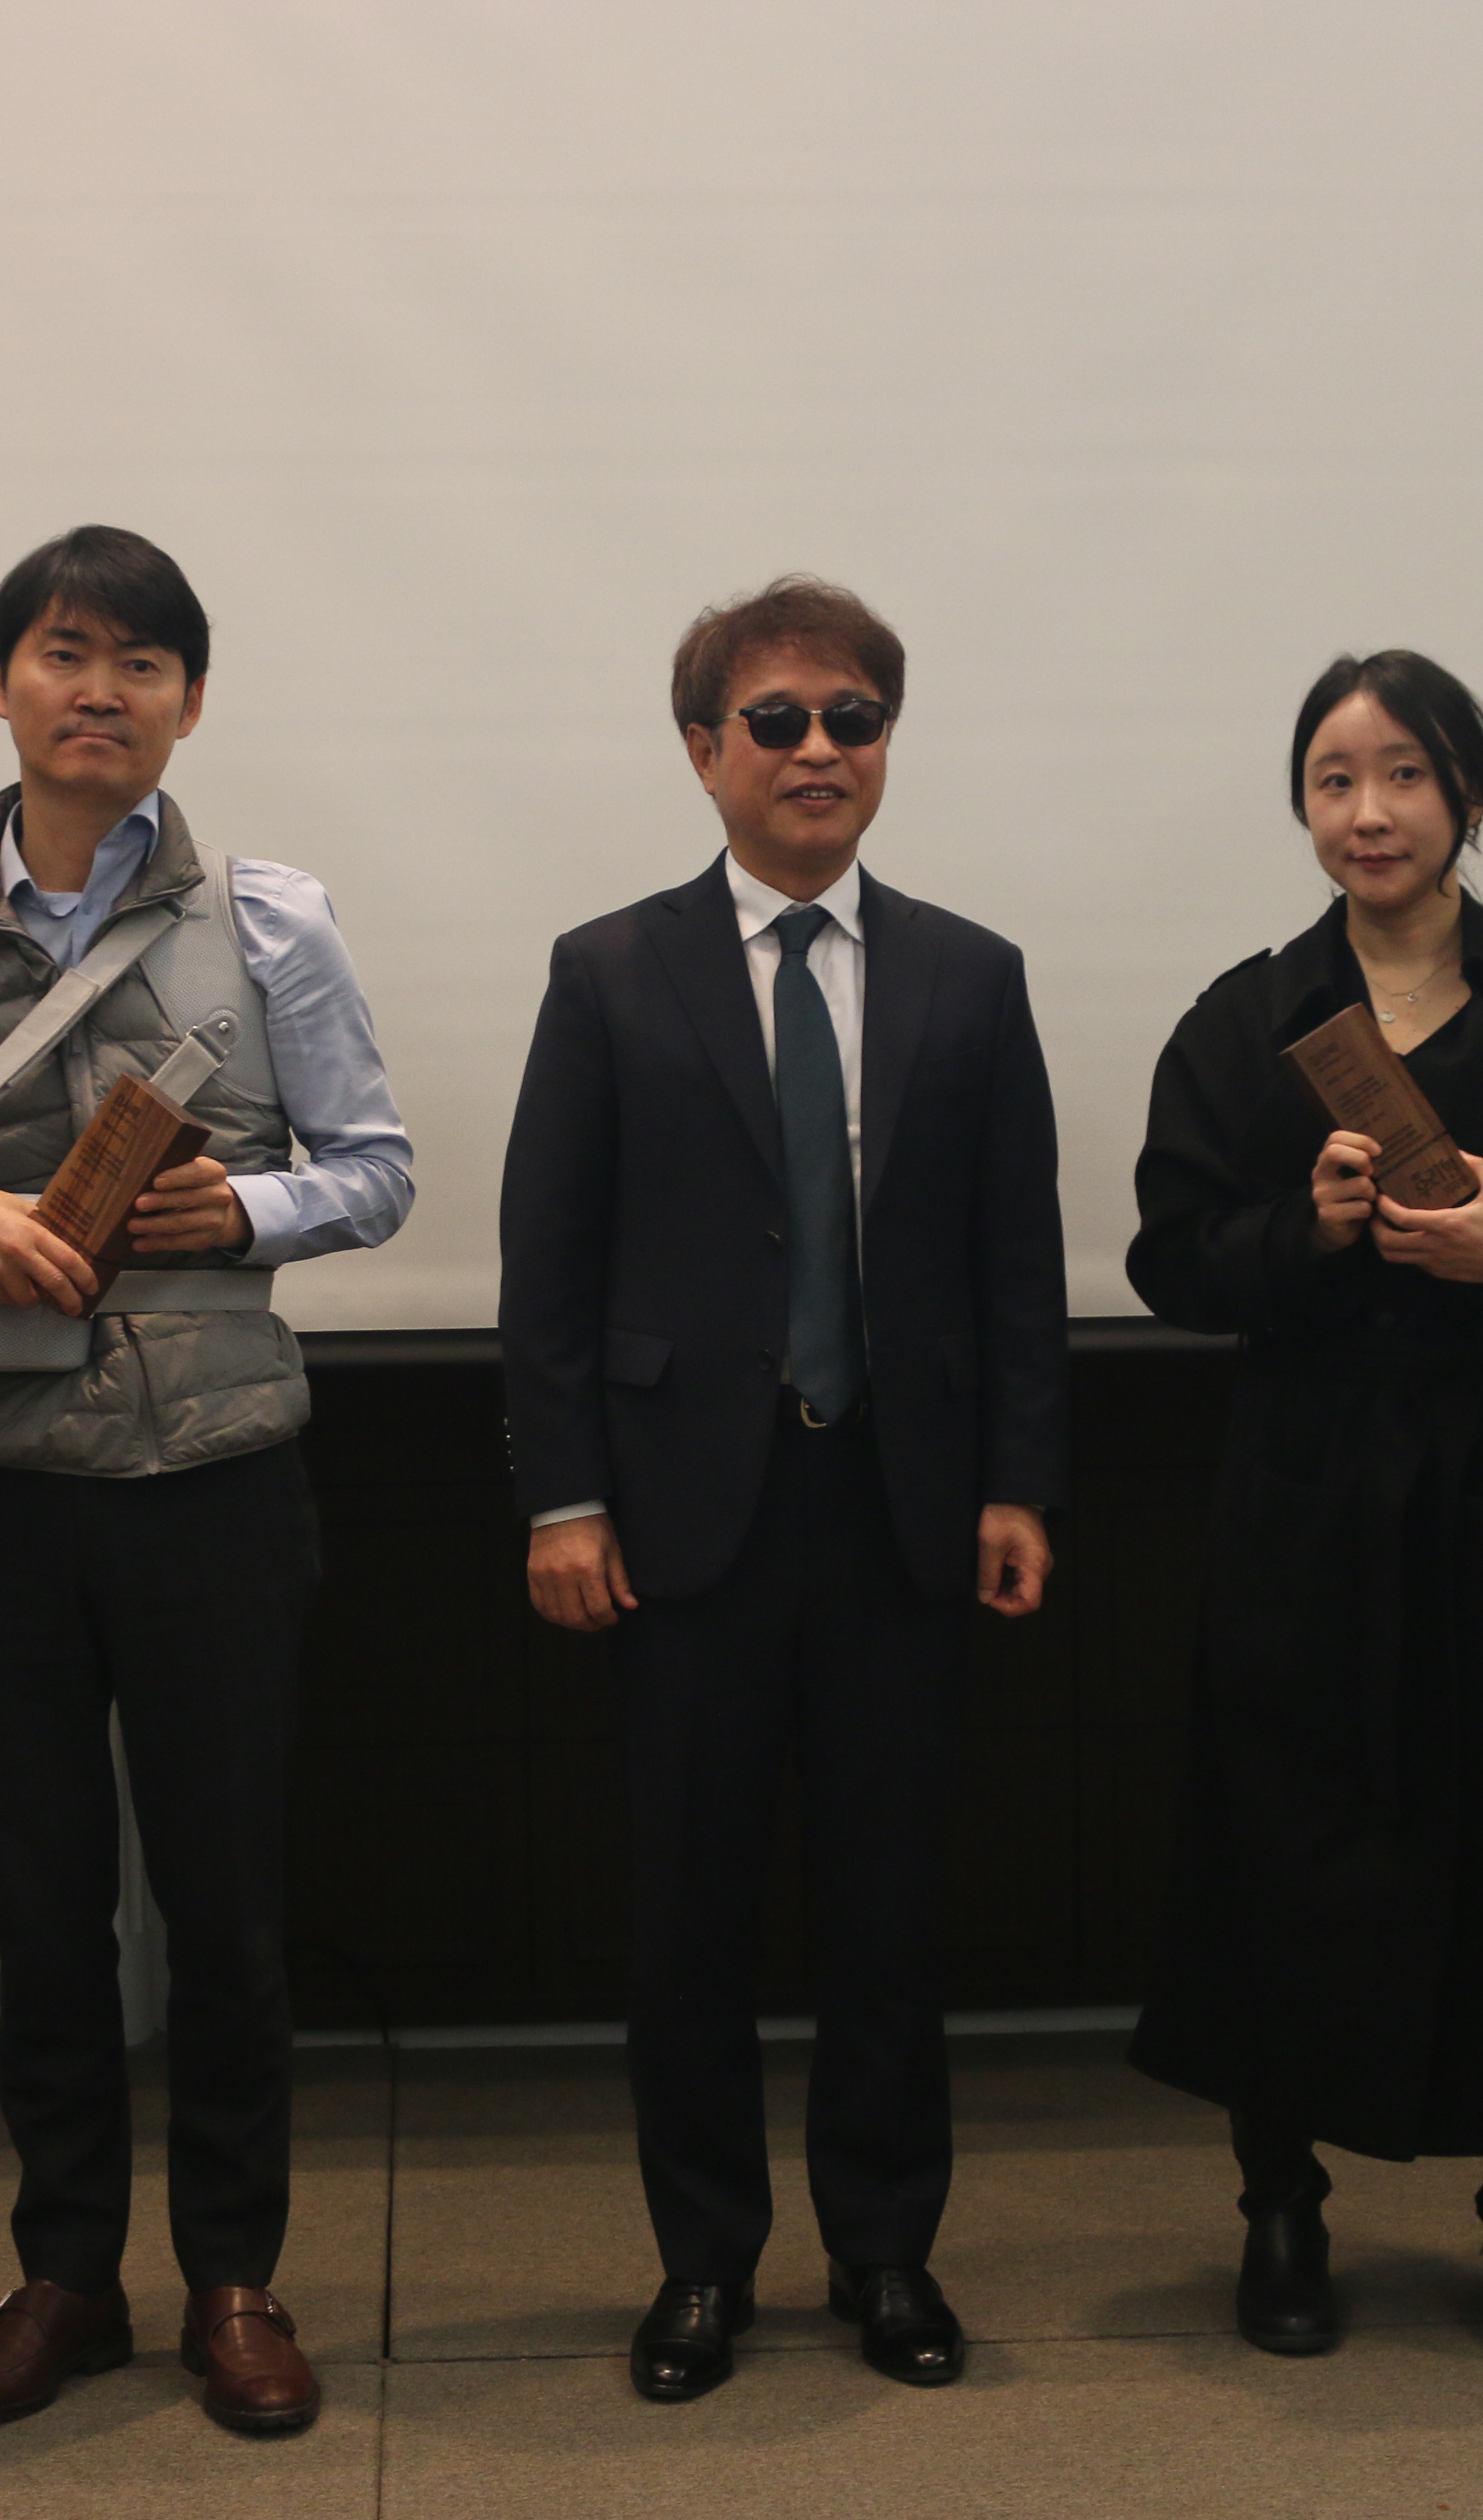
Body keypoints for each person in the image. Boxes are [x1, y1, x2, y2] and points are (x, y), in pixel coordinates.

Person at [0, 526, 412, 2438]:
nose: (102, 691)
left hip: (215, 1473)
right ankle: (66, 2276)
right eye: (67, 653)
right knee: (42, 1907)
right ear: (1, 681)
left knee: (228, 1915)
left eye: (143, 663)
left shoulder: (270, 921)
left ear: (191, 704)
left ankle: (236, 2279)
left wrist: (246, 1208)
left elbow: (377, 1168)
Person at [499, 575, 1068, 2403]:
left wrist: (1019, 1481)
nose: (818, 749)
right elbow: (549, 1264)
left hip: (901, 1505)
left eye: (853, 719)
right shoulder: (610, 970)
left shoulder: (973, 975)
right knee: (690, 1918)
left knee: (890, 1911)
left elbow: (1016, 1262)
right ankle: (703, 2263)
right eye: (777, 720)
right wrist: (562, 1498)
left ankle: (887, 2251)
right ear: (703, 750)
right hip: (681, 1519)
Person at [1125, 650, 1483, 2365]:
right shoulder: (1247, 1019)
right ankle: (1281, 2207)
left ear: (1467, 797)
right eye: (1333, 780)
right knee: (1289, 1839)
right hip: (1307, 1499)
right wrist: (1299, 1230)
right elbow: (1171, 1259)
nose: (1367, 813)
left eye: (1404, 776)